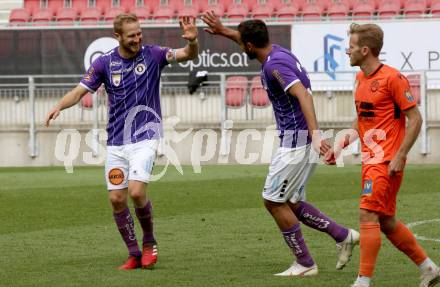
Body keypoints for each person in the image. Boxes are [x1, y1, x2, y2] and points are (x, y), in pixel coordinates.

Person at [201, 11, 359, 276]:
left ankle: (305, 264)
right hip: (300, 139)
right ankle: (343, 235)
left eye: (242, 43)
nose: (241, 45)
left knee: (273, 201)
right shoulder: (278, 52)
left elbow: (303, 96)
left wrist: (316, 134)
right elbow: (245, 38)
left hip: (296, 142)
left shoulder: (275, 66)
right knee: (293, 203)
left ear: (250, 47)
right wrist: (222, 30)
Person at [45, 13, 199, 270]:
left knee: (136, 192)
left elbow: (187, 54)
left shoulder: (154, 54)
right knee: (117, 199)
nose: (138, 39)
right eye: (132, 35)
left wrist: (193, 41)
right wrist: (59, 106)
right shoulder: (105, 64)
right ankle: (134, 253)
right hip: (116, 142)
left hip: (145, 137)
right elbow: (79, 90)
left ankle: (149, 241)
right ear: (118, 36)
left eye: (139, 33)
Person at [325, 23, 440, 287]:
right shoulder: (360, 79)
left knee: (367, 215)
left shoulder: (393, 79)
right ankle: (429, 268)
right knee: (386, 221)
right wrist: (339, 146)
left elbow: (416, 119)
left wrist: (400, 155)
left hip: (386, 162)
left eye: (351, 47)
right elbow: (362, 121)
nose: (347, 51)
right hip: (371, 161)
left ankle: (363, 282)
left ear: (365, 50)